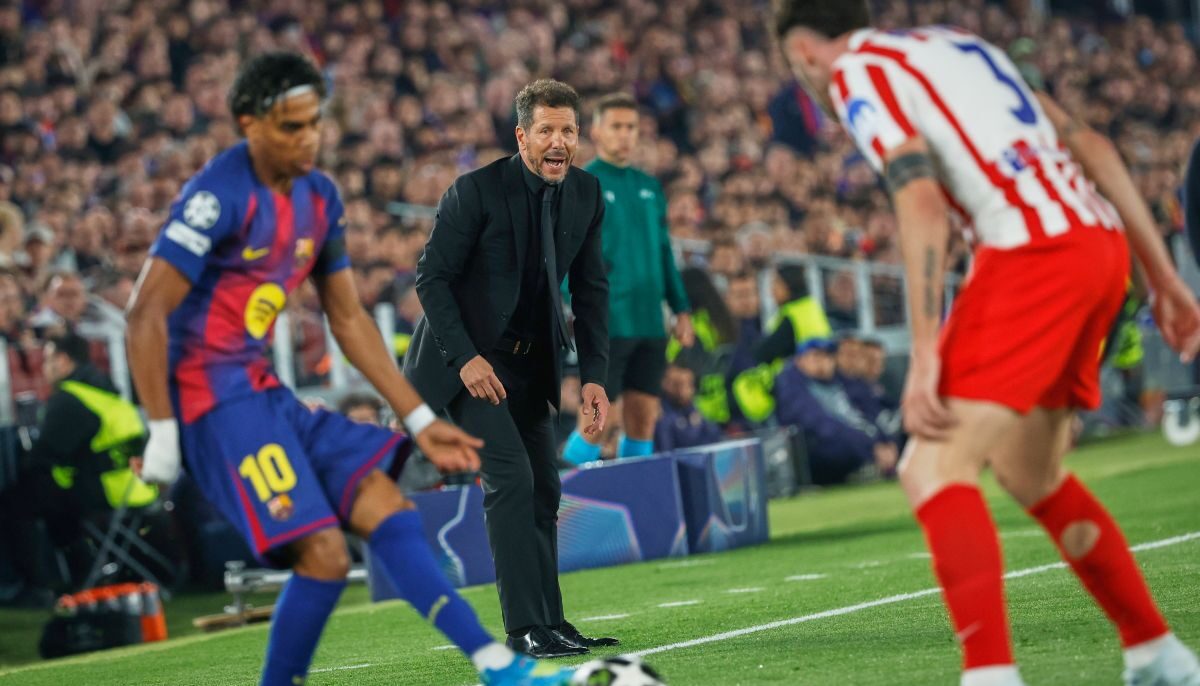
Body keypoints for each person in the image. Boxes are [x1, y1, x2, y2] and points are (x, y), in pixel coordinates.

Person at [774, 5, 1200, 686]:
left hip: (1030, 251)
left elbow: (918, 199)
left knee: (930, 467)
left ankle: (990, 675)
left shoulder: (857, 68)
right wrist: (1163, 275)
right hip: (1098, 245)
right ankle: (1158, 654)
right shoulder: (961, 45)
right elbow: (1091, 145)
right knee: (1032, 474)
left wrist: (924, 353)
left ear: (803, 51)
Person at [126, 53, 573, 686]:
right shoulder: (216, 195)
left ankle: (500, 667)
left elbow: (349, 319)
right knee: (325, 556)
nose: (307, 139)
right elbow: (145, 314)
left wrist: (419, 417)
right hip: (208, 405)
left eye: (314, 124)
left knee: (384, 503)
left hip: (259, 389)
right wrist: (163, 431)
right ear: (248, 124)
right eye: (290, 127)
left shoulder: (318, 197)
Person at [404, 79, 616, 659]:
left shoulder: (588, 194)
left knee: (545, 486)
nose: (558, 141)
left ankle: (551, 622)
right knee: (513, 479)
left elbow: (594, 293)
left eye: (568, 130)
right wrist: (466, 358)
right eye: (545, 130)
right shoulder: (473, 191)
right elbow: (432, 280)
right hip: (463, 364)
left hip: (529, 366)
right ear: (522, 135)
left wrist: (595, 376)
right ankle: (523, 628)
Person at [562, 92, 692, 466]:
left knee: (642, 418)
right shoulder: (582, 183)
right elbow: (561, 256)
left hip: (651, 321)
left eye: (631, 127)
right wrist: (581, 303)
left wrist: (681, 309)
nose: (624, 134)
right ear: (597, 132)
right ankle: (561, 486)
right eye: (616, 126)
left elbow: (664, 252)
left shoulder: (650, 187)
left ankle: (636, 499)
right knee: (598, 420)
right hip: (608, 322)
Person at [773, 338, 898, 484]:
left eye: (827, 356)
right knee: (836, 445)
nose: (823, 361)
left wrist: (886, 441)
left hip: (864, 440)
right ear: (800, 360)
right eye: (816, 356)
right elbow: (820, 424)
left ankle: (878, 464)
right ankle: (864, 468)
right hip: (821, 448)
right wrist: (870, 447)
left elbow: (870, 413)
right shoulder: (792, 385)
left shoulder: (842, 382)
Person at [654, 363, 723, 453]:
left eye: (689, 385)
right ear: (665, 384)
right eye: (677, 384)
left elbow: (714, 435)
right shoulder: (661, 413)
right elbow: (666, 451)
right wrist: (692, 427)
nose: (684, 391)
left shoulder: (693, 408)